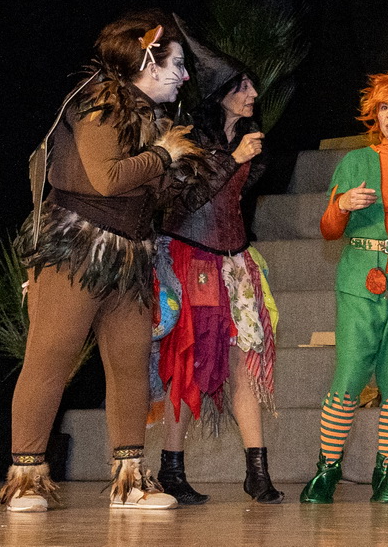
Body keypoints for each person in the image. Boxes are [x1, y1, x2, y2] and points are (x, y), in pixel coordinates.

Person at [0, 12, 197, 512]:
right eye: (177, 64)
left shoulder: (155, 118)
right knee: (51, 358)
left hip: (129, 253)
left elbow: (159, 192)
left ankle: (130, 481)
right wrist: (163, 156)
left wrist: (182, 169)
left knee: (131, 365)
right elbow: (107, 180)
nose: (184, 76)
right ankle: (26, 478)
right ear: (148, 61)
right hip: (77, 247)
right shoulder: (100, 103)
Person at [299, 73, 388, 504]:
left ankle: (386, 473)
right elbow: (328, 230)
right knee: (349, 373)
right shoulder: (355, 161)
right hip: (361, 277)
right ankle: (328, 469)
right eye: (383, 108)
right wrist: (342, 206)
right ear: (373, 115)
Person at [155, 33, 282, 505]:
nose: (253, 94)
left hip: (236, 261)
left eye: (252, 86)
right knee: (187, 362)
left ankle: (258, 472)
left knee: (244, 362)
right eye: (242, 86)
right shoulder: (185, 137)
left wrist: (241, 158)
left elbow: (235, 201)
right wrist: (233, 159)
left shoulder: (251, 140)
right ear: (218, 93)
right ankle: (171, 469)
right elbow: (183, 200)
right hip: (192, 258)